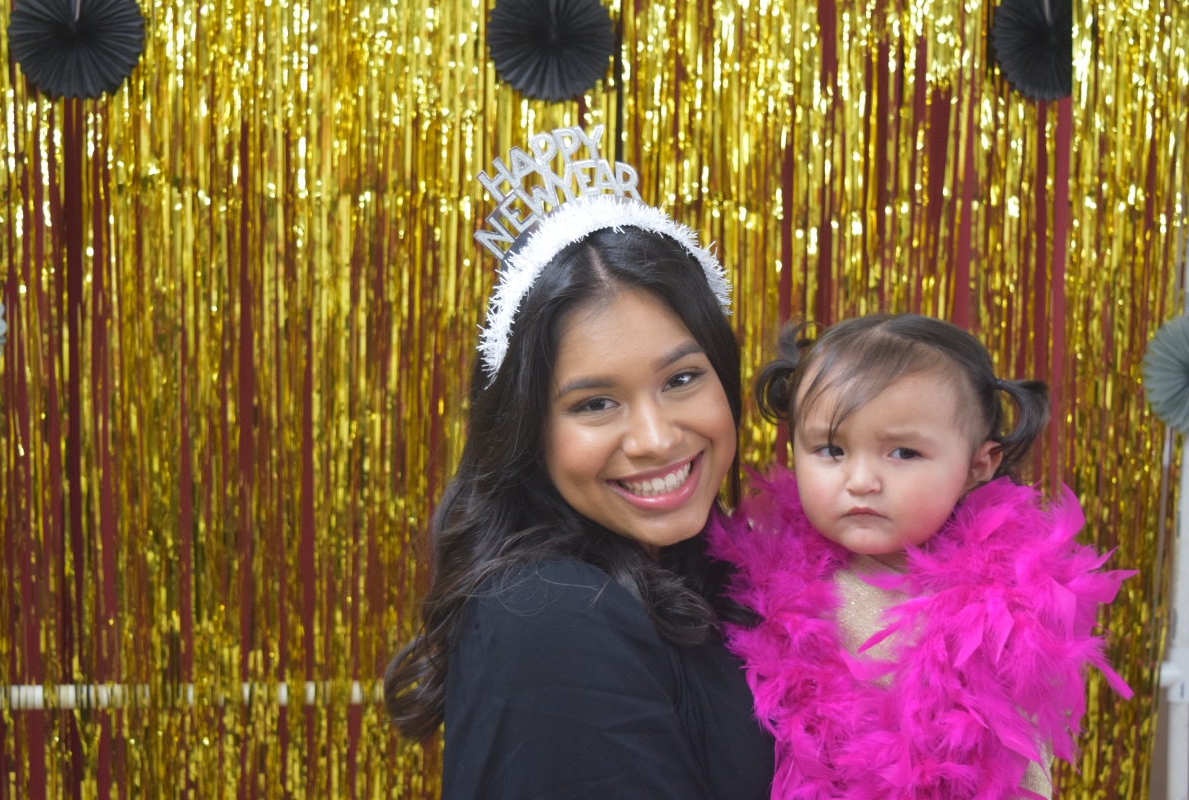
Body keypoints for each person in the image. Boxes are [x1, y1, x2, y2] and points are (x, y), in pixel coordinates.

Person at [383, 126, 774, 800]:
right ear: (529, 430)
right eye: (595, 403)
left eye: (682, 379)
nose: (655, 438)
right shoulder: (552, 614)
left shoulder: (717, 572)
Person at [708, 314, 1134, 800]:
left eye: (904, 453)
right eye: (831, 449)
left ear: (977, 466)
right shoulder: (757, 576)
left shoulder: (1005, 607)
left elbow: (1017, 763)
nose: (861, 481)